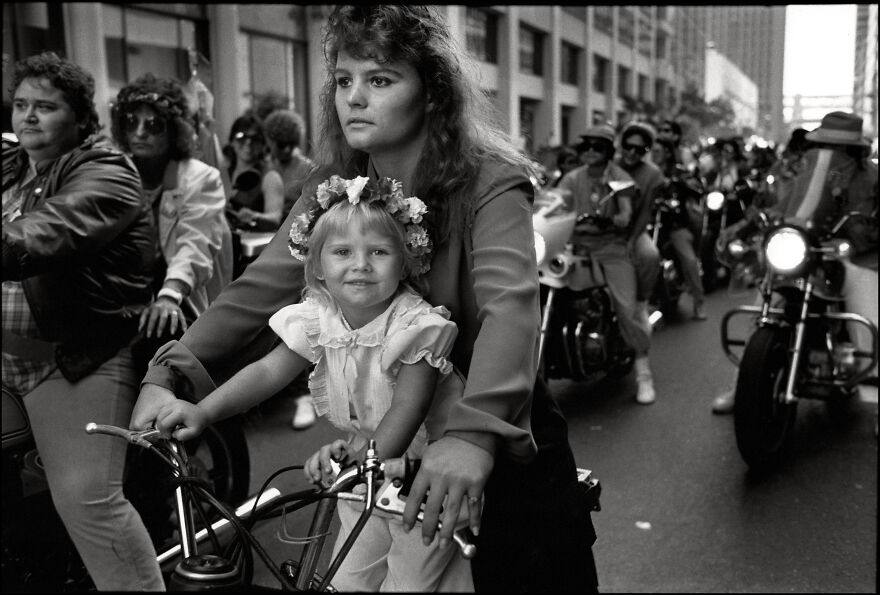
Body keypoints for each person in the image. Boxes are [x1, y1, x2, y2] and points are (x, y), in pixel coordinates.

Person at [131, 6, 599, 593]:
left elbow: (511, 308)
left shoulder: (490, 181)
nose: (354, 98)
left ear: (431, 94)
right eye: (344, 80)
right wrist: (169, 375)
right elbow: (260, 288)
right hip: (382, 447)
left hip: (487, 426)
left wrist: (473, 436)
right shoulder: (333, 186)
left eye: (379, 79)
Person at [154, 177, 472, 591]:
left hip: (426, 479)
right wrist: (203, 411)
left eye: (378, 251)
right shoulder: (320, 317)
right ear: (318, 265)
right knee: (344, 579)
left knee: (412, 582)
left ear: (406, 261)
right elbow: (269, 371)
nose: (360, 264)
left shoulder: (417, 325)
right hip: (368, 474)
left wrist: (362, 463)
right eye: (342, 252)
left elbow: (407, 409)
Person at [1, 52, 164, 590]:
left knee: (88, 500)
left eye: (45, 107)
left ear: (79, 118)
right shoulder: (12, 166)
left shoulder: (107, 172)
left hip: (71, 361)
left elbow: (44, 233)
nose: (28, 116)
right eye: (21, 104)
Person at [711, 111, 878, 415]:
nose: (833, 152)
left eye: (841, 147)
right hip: (805, 250)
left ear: (856, 149)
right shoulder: (803, 172)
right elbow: (779, 206)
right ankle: (742, 387)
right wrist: (752, 226)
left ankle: (876, 399)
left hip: (854, 256)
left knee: (870, 320)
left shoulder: (873, 177)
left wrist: (858, 237)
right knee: (765, 309)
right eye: (828, 144)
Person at [110, 74, 233, 363]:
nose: (140, 132)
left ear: (174, 130)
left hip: (177, 300)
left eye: (153, 125)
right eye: (131, 122)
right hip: (123, 303)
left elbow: (195, 245)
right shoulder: (115, 172)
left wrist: (169, 295)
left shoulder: (200, 177)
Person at [556, 123, 657, 404]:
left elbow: (626, 211)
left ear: (609, 151)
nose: (589, 151)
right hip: (574, 246)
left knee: (626, 308)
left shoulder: (620, 177)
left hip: (610, 247)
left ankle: (643, 373)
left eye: (597, 147)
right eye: (585, 146)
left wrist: (618, 218)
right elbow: (555, 204)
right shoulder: (571, 177)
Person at [262, 108, 318, 430]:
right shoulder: (274, 168)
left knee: (301, 319)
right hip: (280, 249)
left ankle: (305, 394)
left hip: (303, 250)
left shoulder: (307, 169)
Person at [651, 138, 708, 320]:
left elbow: (697, 188)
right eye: (650, 150)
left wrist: (681, 184)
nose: (653, 154)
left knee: (689, 259)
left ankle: (698, 302)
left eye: (657, 151)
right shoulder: (645, 172)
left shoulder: (679, 172)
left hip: (673, 224)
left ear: (667, 153)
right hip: (648, 223)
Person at [616, 121, 665, 321]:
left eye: (639, 149)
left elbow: (645, 212)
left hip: (633, 230)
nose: (632, 153)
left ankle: (641, 304)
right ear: (621, 145)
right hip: (601, 230)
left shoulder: (652, 174)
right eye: (628, 146)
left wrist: (632, 240)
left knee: (649, 255)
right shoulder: (609, 166)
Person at [223, 114, 285, 233]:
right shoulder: (223, 173)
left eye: (255, 138)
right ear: (232, 141)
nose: (248, 143)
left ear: (262, 144)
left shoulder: (270, 177)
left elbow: (275, 218)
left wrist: (254, 216)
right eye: (241, 136)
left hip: (255, 247)